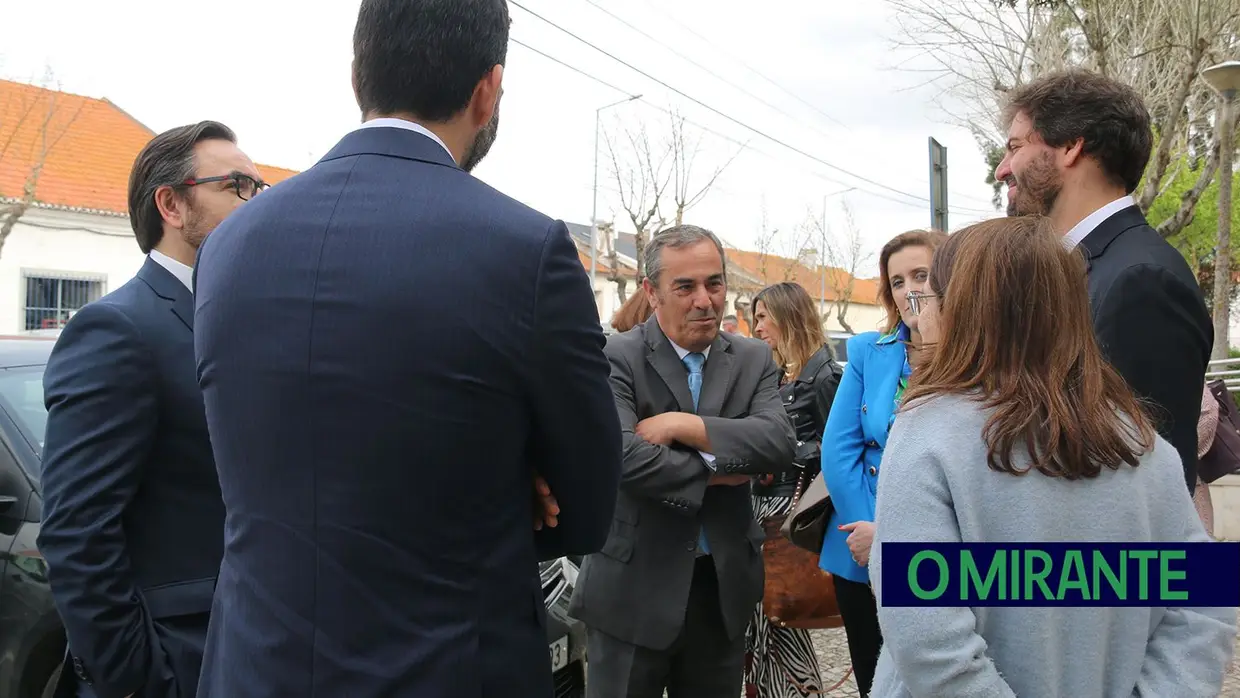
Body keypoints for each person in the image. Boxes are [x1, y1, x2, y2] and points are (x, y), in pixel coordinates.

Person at [191, 1, 623, 696]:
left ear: (358, 74)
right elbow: (588, 506)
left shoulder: (231, 245)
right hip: (447, 667)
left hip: (256, 667)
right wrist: (506, 489)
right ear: (488, 90)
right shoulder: (526, 250)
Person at [868, 215, 1237, 697]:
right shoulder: (1143, 444)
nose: (921, 312)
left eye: (929, 296)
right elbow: (1206, 606)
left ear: (963, 310)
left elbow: (926, 637)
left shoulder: (926, 434)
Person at [38, 121, 264, 698]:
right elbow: (76, 533)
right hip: (177, 662)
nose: (255, 201)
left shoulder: (245, 323)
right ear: (172, 204)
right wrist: (139, 679)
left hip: (254, 652)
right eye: (238, 185)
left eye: (259, 187)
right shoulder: (116, 329)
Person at [569, 225, 796, 698]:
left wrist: (683, 427)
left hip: (721, 594)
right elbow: (624, 458)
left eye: (714, 283)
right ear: (651, 293)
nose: (704, 300)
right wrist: (724, 467)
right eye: (686, 287)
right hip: (631, 592)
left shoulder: (754, 358)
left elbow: (777, 444)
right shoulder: (615, 356)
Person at [995, 68, 1212, 493]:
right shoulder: (1084, 268)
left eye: (1015, 147)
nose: (1003, 169)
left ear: (1072, 146)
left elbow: (1142, 480)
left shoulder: (1140, 281)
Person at [817, 229, 947, 697]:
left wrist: (896, 543)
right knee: (875, 678)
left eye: (921, 275)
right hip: (862, 541)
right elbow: (838, 449)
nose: (909, 290)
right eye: (897, 282)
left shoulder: (976, 352)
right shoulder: (868, 352)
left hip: (939, 548)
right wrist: (868, 532)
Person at [747, 281, 843, 697]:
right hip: (764, 511)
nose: (757, 327)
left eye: (764, 316)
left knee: (781, 616)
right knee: (764, 621)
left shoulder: (823, 375)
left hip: (788, 514)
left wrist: (787, 451)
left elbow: (839, 446)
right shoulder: (784, 374)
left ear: (788, 316)